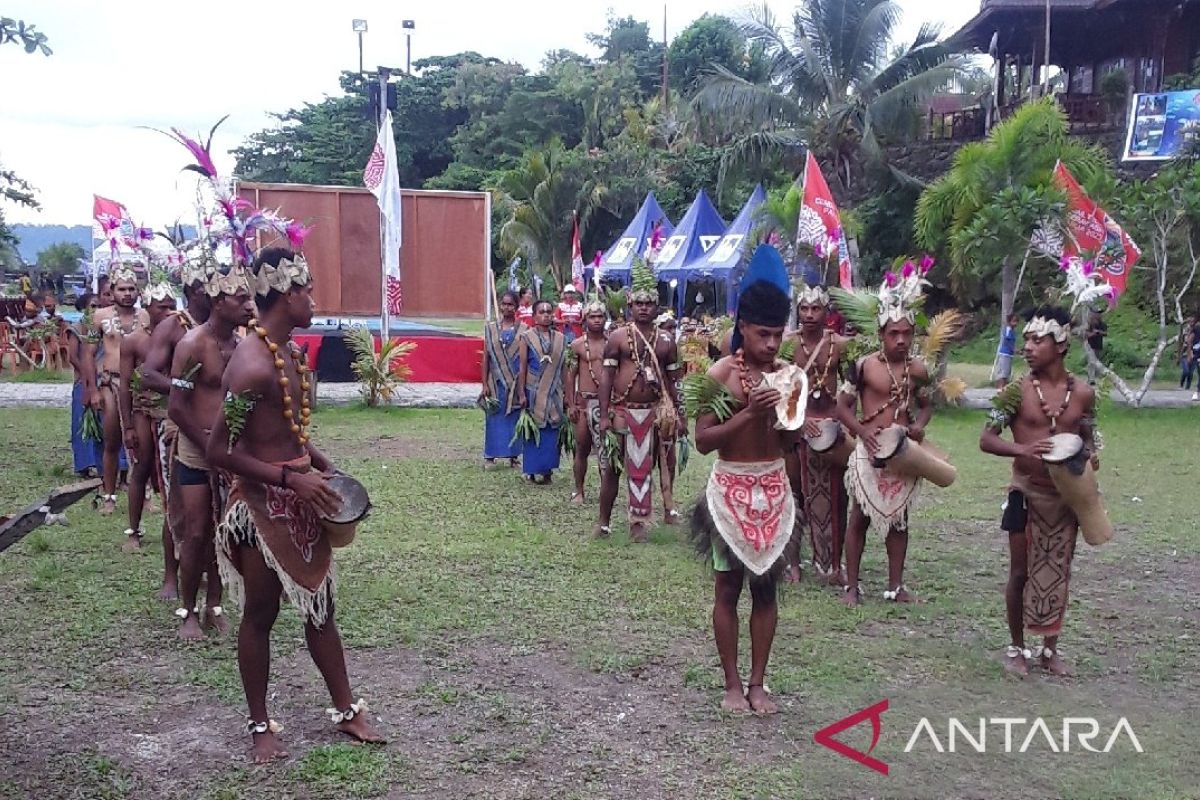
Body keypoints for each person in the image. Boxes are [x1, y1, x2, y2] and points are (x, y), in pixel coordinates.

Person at [208, 247, 383, 763]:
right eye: (307, 290)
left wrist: (322, 468)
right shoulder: (251, 364)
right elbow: (221, 450)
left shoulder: (285, 353)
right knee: (260, 615)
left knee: (321, 608)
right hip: (262, 508)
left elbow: (289, 431)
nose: (313, 300)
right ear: (287, 294)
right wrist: (289, 479)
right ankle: (260, 724)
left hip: (300, 494)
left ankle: (347, 710)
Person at [688, 245, 797, 714]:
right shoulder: (721, 375)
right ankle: (731, 684)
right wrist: (749, 413)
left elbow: (791, 446)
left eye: (777, 335)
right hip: (729, 492)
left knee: (767, 590)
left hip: (774, 490)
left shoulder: (791, 378)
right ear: (743, 328)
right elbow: (703, 440)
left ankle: (758, 683)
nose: (772, 345)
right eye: (762, 334)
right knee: (727, 589)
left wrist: (787, 424)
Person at [980, 305, 1099, 677]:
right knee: (1020, 572)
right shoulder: (1015, 392)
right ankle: (1017, 648)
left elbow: (1089, 439)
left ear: (1061, 344)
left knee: (1058, 571)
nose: (1028, 347)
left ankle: (1050, 650)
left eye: (1037, 340)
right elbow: (986, 439)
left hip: (1066, 497)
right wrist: (1021, 450)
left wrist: (1090, 457)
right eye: (1026, 340)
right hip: (1025, 492)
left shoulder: (1082, 394)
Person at [835, 269, 936, 606]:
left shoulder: (918, 369)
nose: (901, 340)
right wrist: (862, 431)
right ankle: (851, 585)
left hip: (902, 450)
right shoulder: (863, 366)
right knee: (859, 517)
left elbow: (926, 405)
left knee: (900, 521)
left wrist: (919, 425)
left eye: (907, 334)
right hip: (870, 449)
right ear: (881, 334)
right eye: (894, 334)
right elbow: (843, 405)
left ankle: (895, 586)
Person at [168, 264, 255, 639]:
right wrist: (211, 450)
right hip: (195, 450)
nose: (250, 306)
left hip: (229, 452)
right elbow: (176, 406)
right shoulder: (192, 344)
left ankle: (215, 604)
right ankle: (188, 609)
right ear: (219, 302)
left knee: (225, 532)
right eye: (242, 298)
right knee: (198, 532)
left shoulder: (241, 347)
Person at [140, 257, 214, 601]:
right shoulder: (174, 326)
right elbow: (149, 374)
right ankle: (172, 575)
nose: (211, 295)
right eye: (204, 290)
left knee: (213, 508)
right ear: (190, 292)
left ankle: (210, 579)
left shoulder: (224, 326)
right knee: (179, 505)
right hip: (178, 422)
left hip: (216, 425)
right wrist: (184, 390)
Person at [597, 262, 685, 541]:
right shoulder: (618, 338)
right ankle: (603, 522)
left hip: (656, 413)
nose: (644, 308)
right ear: (630, 305)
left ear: (657, 306)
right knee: (613, 466)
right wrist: (603, 414)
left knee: (654, 464)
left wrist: (679, 414)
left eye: (649, 303)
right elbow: (607, 378)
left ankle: (641, 520)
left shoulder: (667, 341)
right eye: (639, 303)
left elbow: (674, 382)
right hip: (623, 411)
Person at [788, 282, 851, 585]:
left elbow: (851, 388)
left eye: (816, 308)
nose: (810, 314)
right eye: (804, 308)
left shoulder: (840, 345)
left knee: (837, 496)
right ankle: (792, 563)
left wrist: (844, 422)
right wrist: (797, 422)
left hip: (831, 428)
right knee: (794, 495)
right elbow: (778, 388)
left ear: (827, 312)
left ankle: (833, 564)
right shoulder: (788, 344)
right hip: (794, 429)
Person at [80, 264, 148, 517]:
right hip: (110, 382)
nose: (127, 293)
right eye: (122, 289)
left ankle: (146, 491)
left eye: (132, 289)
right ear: (112, 290)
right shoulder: (99, 316)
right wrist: (91, 389)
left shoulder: (145, 317)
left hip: (139, 384)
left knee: (142, 440)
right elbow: (87, 355)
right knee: (112, 439)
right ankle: (109, 495)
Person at [117, 275, 178, 553]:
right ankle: (133, 530)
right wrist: (128, 426)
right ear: (147, 308)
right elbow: (125, 386)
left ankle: (177, 528)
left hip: (173, 413)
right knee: (140, 468)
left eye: (171, 307)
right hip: (143, 411)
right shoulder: (134, 342)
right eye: (161, 308)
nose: (167, 313)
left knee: (175, 474)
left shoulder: (183, 336)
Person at [565, 300, 612, 504]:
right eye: (592, 317)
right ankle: (579, 490)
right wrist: (571, 404)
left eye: (600, 316)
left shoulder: (612, 344)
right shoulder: (576, 345)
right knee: (582, 447)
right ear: (585, 320)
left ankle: (606, 490)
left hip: (606, 404)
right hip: (584, 402)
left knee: (606, 451)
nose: (596, 320)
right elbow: (569, 375)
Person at [517, 299, 567, 485]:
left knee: (551, 431)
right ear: (534, 316)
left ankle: (547, 471)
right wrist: (521, 393)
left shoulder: (561, 338)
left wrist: (567, 395)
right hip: (533, 391)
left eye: (548, 312)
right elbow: (522, 367)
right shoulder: (526, 337)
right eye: (542, 312)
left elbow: (564, 369)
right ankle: (531, 470)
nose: (546, 315)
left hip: (554, 391)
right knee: (534, 430)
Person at [480, 290, 526, 469]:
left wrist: (523, 387)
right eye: (504, 304)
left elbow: (524, 361)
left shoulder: (523, 330)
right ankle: (490, 456)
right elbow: (486, 358)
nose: (507, 308)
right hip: (496, 383)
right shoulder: (491, 329)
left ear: (516, 307)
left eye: (510, 304)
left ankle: (513, 456)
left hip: (515, 384)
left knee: (514, 417)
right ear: (499, 305)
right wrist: (484, 383)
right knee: (494, 418)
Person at [67, 292, 103, 477]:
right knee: (82, 422)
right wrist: (87, 376)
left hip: (102, 380)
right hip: (83, 380)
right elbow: (73, 357)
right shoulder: (77, 327)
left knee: (102, 423)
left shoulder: (102, 325)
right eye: (93, 306)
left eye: (99, 306)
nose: (96, 310)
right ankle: (83, 464)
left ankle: (104, 464)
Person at [993, 313, 1019, 389]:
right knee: (1003, 374)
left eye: (1017, 321)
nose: (1015, 323)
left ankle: (1003, 388)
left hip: (1009, 354)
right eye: (1014, 321)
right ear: (1009, 322)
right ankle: (1000, 388)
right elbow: (1007, 342)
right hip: (1005, 354)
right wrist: (1014, 349)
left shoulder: (1012, 331)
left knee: (1007, 373)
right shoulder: (1008, 330)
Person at [1085, 312, 1107, 386]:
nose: (1099, 315)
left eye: (1100, 314)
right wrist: (1093, 334)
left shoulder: (1102, 324)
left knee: (1097, 362)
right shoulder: (1090, 324)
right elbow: (1087, 334)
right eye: (1097, 314)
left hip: (1098, 345)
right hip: (1090, 345)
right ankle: (1091, 379)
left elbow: (1106, 333)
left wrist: (1099, 332)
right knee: (1091, 361)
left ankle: (1095, 377)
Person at [1179, 317, 1196, 392]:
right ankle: (1181, 384)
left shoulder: (1196, 331)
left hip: (1194, 354)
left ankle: (1187, 387)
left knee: (1191, 372)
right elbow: (1181, 343)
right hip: (1185, 354)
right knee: (1186, 371)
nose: (1192, 323)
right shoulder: (1185, 332)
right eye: (1190, 322)